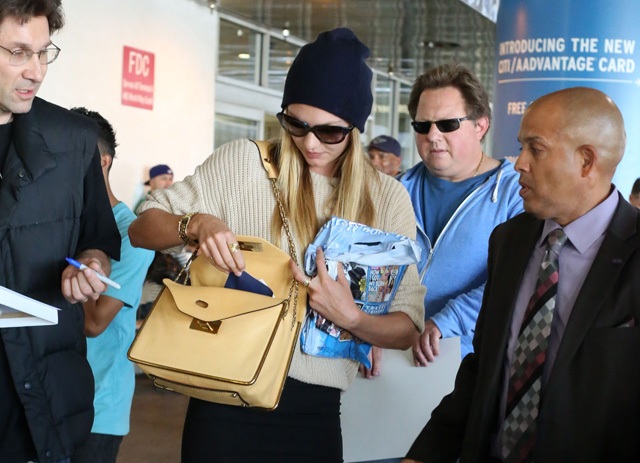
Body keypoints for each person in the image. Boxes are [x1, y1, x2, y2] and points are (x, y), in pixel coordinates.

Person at [129, 27, 425, 463]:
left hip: (316, 416)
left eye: (329, 132)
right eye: (296, 124)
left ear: (356, 128)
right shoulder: (243, 163)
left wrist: (352, 318)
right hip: (222, 401)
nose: (309, 143)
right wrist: (196, 223)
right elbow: (141, 228)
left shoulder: (386, 199)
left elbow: (408, 325)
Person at [403, 87, 639, 463]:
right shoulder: (509, 242)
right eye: (520, 147)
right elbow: (483, 369)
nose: (518, 164)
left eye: (536, 148)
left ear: (586, 162)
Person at [0, 2, 121, 462]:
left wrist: (92, 263)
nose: (36, 71)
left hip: (46, 396)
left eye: (44, 52)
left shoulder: (73, 141)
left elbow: (100, 239)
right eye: (18, 52)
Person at [398, 63, 523, 366]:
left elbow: (518, 278)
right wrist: (368, 329)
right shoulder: (395, 191)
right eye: (422, 125)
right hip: (389, 360)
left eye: (448, 124)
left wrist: (447, 321)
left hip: (470, 364)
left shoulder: (516, 194)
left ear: (481, 125)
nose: (433, 135)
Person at [69, 108, 154, 463]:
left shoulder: (130, 234)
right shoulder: (67, 223)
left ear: (103, 162)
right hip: (54, 396)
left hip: (100, 406)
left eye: (74, 156)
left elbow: (94, 322)